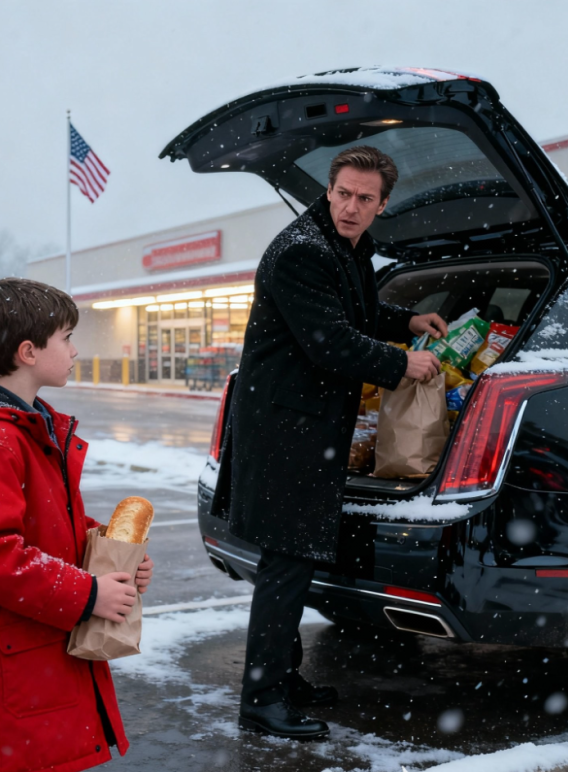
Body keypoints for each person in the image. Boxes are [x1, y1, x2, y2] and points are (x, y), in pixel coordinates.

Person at [230, 146, 447, 741]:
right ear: (329, 190)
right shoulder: (302, 251)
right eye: (344, 193)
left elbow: (355, 310)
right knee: (286, 565)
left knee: (294, 565)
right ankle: (263, 698)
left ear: (381, 203)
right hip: (285, 431)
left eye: (365, 198)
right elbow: (330, 341)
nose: (352, 206)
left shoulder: (344, 246)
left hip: (308, 429)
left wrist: (404, 321)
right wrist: (405, 363)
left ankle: (282, 677)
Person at [0, 277, 154, 772]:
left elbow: (47, 521)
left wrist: (108, 555)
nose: (74, 349)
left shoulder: (27, 428)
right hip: (4, 669)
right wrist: (89, 594)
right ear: (28, 351)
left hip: (31, 653)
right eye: (66, 337)